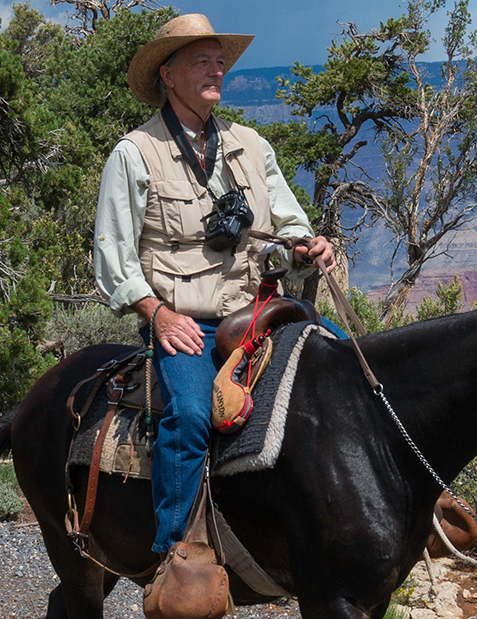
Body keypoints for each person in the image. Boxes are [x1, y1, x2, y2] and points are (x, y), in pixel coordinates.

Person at [91, 13, 337, 558]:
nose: (216, 69)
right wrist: (157, 314)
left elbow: (288, 218)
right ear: (168, 75)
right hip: (190, 322)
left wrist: (306, 244)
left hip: (259, 308)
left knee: (348, 365)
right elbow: (113, 254)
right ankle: (173, 549)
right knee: (194, 414)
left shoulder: (251, 144)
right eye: (201, 60)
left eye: (220, 61)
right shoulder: (135, 153)